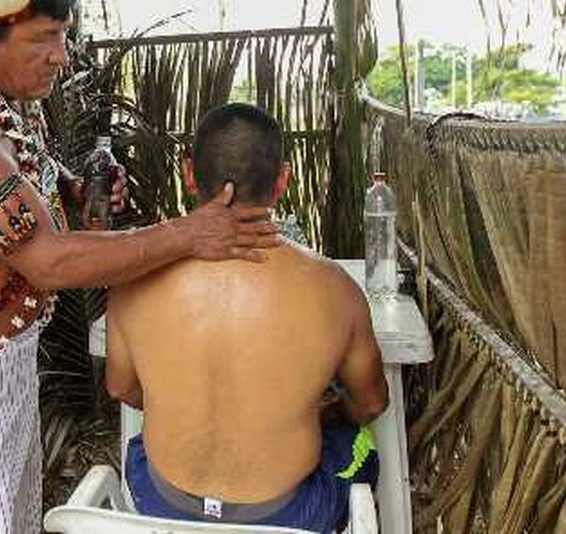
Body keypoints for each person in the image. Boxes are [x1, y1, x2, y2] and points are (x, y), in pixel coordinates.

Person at [0, 0, 281, 533]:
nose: (61, 54)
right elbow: (49, 263)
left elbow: (24, 180)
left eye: (62, 33)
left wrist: (74, 192)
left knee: (13, 517)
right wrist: (189, 234)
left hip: (0, 357)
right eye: (43, 39)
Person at [105, 103, 389, 533]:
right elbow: (370, 403)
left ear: (189, 174)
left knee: (139, 446)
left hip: (161, 505)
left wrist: (182, 405)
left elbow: (121, 386)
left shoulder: (132, 284)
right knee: (360, 446)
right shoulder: (335, 290)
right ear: (282, 181)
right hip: (289, 515)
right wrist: (317, 413)